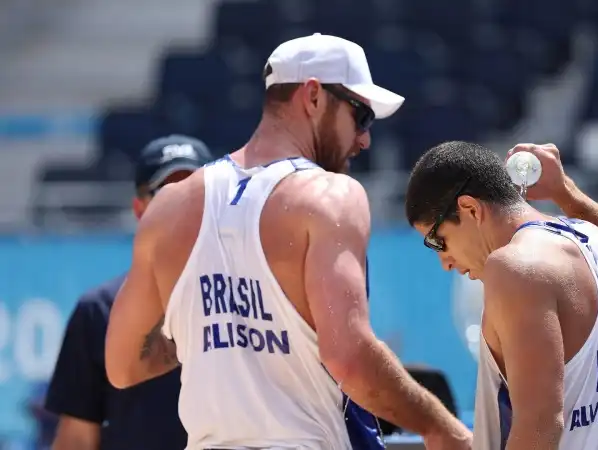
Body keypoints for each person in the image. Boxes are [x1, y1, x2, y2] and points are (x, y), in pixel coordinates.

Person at [104, 33, 471, 450]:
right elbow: (348, 358)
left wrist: (210, 331)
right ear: (313, 96)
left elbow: (122, 364)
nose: (365, 138)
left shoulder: (170, 207)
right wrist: (442, 428)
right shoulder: (329, 196)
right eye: (361, 116)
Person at [404, 142, 598, 450]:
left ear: (470, 209)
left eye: (438, 241)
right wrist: (565, 191)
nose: (445, 262)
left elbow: (541, 426)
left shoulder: (515, 269)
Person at [45, 135, 212, 450]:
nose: (185, 205)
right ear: (139, 209)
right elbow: (78, 439)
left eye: (195, 192)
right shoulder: (98, 311)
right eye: (168, 194)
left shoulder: (247, 297)